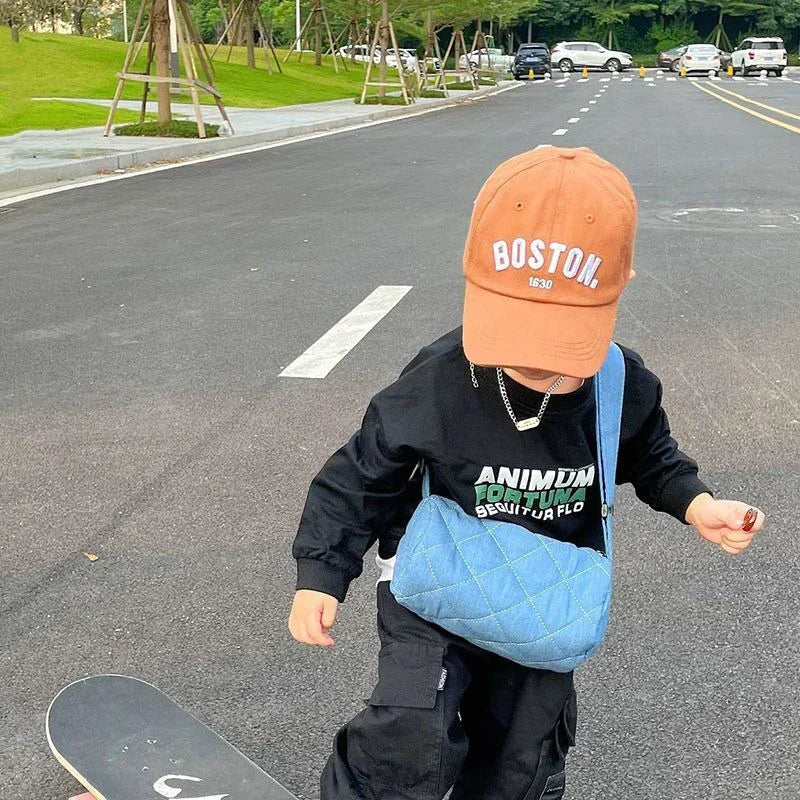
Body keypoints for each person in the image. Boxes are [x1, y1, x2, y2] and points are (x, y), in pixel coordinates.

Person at [288, 146, 765, 800]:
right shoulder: (440, 377)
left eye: (559, 337)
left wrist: (696, 503)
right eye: (517, 330)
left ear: (618, 286)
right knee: (409, 729)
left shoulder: (619, 385)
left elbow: (651, 455)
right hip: (434, 586)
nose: (537, 360)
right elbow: (359, 474)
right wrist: (322, 574)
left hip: (541, 601)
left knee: (521, 757)